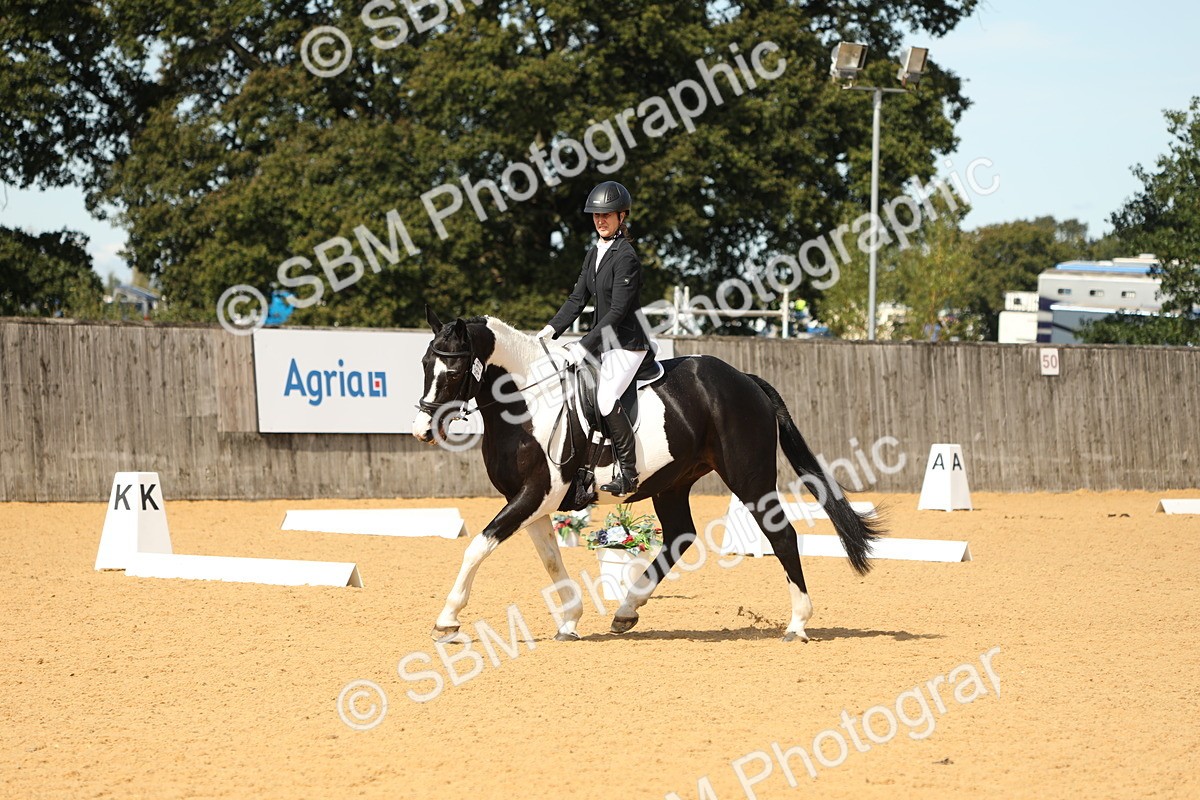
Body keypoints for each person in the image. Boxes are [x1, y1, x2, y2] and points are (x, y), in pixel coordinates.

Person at [537, 180, 650, 496]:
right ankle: (583, 472)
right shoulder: (593, 254)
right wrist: (551, 330)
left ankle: (629, 473)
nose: (601, 220)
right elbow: (576, 299)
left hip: (627, 343)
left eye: (608, 215)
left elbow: (616, 312)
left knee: (604, 397)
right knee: (574, 393)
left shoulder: (626, 256)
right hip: (604, 342)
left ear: (621, 216)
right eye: (597, 215)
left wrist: (584, 345)